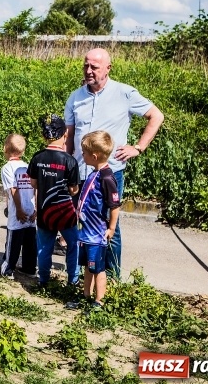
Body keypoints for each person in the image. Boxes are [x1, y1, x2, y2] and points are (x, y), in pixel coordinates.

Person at [64, 47, 164, 278]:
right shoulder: (76, 97)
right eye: (86, 65)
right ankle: (81, 275)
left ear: (108, 68)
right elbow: (70, 135)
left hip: (108, 173)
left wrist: (138, 147)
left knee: (110, 225)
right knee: (78, 221)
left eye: (94, 67)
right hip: (79, 171)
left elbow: (156, 116)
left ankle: (112, 276)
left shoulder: (124, 93)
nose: (88, 71)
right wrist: (67, 165)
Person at [28, 114, 80, 288]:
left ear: (43, 136)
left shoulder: (37, 158)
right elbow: (73, 190)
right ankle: (73, 281)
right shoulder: (70, 161)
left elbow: (33, 183)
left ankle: (43, 281)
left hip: (44, 210)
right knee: (73, 245)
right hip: (65, 212)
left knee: (44, 248)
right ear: (65, 134)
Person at [72, 130, 121, 311]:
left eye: (84, 153)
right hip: (86, 232)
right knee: (87, 265)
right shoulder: (94, 173)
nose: (82, 156)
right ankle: (85, 295)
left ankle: (99, 300)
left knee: (98, 268)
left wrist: (112, 228)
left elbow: (115, 205)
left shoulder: (107, 177)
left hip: (97, 233)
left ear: (94, 156)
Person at [0, 133, 36, 279]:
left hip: (17, 211)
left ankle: (8, 269)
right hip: (31, 209)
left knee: (13, 240)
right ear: (23, 151)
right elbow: (36, 188)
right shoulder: (27, 167)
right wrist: (36, 210)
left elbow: (14, 189)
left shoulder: (7, 168)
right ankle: (29, 268)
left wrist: (19, 209)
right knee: (30, 242)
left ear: (5, 148)